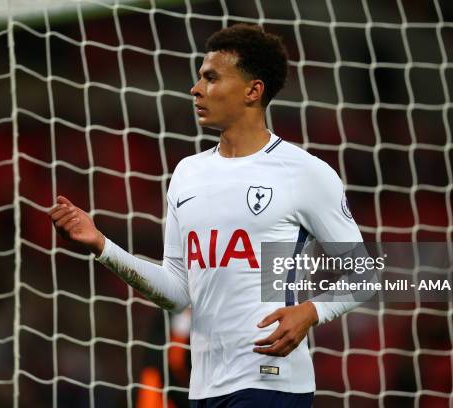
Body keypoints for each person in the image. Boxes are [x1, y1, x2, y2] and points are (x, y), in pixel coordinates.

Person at [49, 24, 362, 407]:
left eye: (211, 78)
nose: (196, 89)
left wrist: (312, 310)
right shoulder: (187, 174)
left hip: (271, 380)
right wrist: (102, 245)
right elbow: (178, 291)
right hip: (204, 387)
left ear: (253, 90)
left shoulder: (304, 173)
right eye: (199, 78)